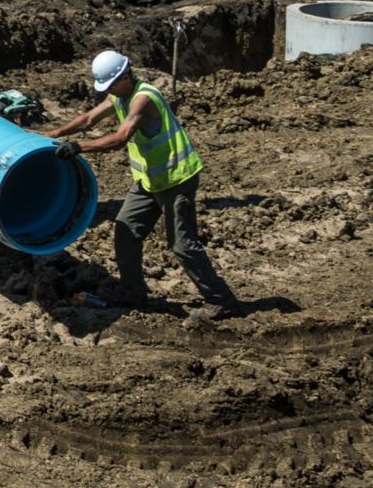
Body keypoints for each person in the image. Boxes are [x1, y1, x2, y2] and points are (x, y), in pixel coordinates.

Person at [48, 51, 238, 318]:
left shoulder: (143, 99)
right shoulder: (119, 94)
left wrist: (79, 147)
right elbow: (89, 118)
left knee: (182, 244)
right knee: (126, 228)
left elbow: (120, 138)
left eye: (111, 85)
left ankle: (221, 299)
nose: (109, 91)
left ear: (125, 75)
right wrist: (54, 134)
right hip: (150, 180)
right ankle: (133, 292)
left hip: (176, 178)